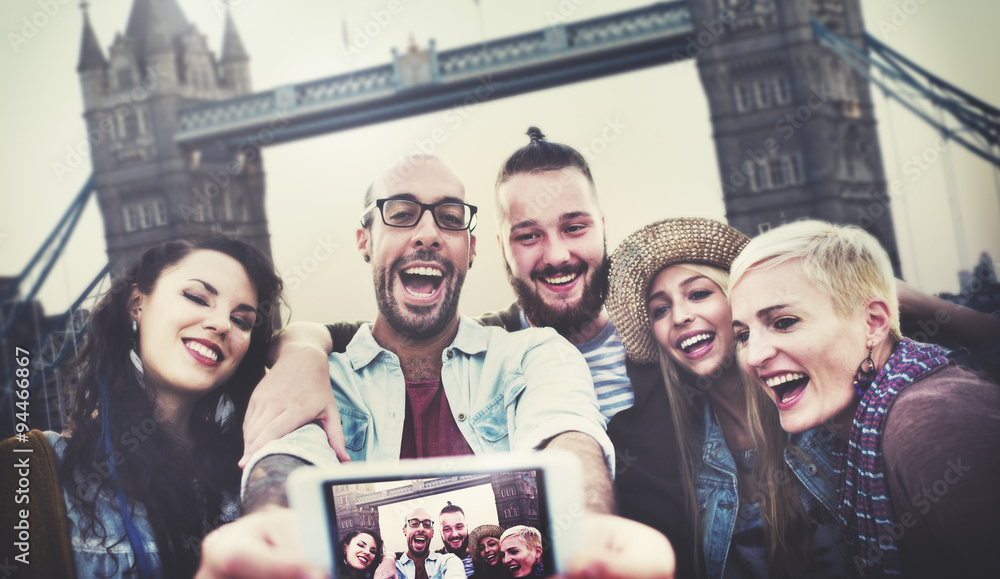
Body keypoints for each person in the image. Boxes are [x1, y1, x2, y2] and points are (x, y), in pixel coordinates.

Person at [195, 155, 675, 579]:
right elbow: (289, 457)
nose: (427, 234)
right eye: (401, 214)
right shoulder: (324, 375)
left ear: (471, 249)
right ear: (365, 240)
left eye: (449, 218)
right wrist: (272, 525)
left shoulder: (535, 352)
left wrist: (588, 525)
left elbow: (568, 434)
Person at [728, 220, 1000, 578]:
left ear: (873, 323)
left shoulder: (929, 424)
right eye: (744, 334)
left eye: (784, 321)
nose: (753, 356)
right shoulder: (860, 428)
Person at [605, 218, 849, 578]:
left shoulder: (819, 401)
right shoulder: (685, 451)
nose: (681, 316)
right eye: (661, 309)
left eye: (699, 294)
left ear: (737, 302)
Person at [45, 236, 282, 578]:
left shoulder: (253, 473)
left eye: (242, 321)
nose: (221, 324)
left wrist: (304, 348)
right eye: (197, 298)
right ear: (137, 303)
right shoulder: (41, 472)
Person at [397, 508, 465, 579]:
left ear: (432, 532)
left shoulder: (449, 561)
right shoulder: (394, 566)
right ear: (404, 530)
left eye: (427, 525)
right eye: (414, 524)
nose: (421, 529)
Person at [438, 502, 474, 576]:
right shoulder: (432, 564)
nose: (454, 534)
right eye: (447, 529)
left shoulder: (483, 559)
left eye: (459, 527)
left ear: (466, 527)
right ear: (441, 532)